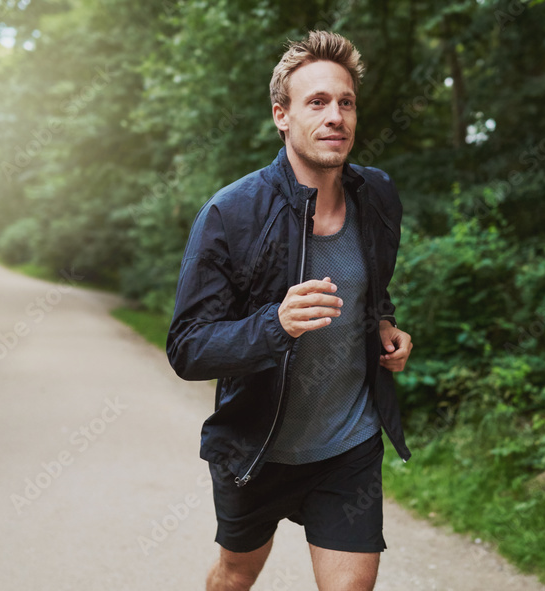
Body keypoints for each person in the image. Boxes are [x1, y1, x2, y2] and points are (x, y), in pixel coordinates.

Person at [166, 30, 414, 591]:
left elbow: (373, 284)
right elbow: (187, 347)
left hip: (347, 444)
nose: (335, 117)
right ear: (282, 115)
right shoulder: (230, 214)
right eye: (317, 102)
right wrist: (273, 324)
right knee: (235, 574)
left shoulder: (378, 196)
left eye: (345, 102)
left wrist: (383, 325)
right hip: (257, 447)